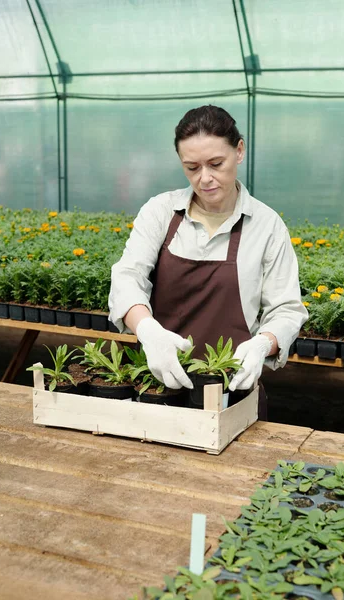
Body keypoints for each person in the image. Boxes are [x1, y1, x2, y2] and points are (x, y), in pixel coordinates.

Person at [108, 105, 308, 419]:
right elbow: (127, 277)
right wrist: (148, 331)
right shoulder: (161, 212)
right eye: (192, 167)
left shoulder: (267, 226)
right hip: (158, 384)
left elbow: (286, 308)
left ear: (239, 151)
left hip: (232, 390)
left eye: (216, 163)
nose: (205, 179)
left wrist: (262, 345)